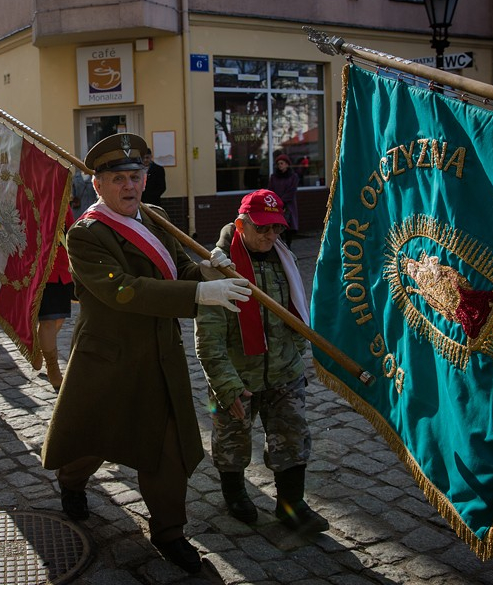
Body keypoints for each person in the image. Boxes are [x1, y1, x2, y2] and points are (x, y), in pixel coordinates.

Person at [40, 132, 252, 574]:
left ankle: (169, 531)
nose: (129, 186)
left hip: (159, 354)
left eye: (135, 176)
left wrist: (209, 269)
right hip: (108, 357)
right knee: (91, 435)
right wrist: (200, 291)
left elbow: (179, 269)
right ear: (97, 185)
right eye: (118, 178)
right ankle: (72, 482)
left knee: (167, 445)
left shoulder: (154, 217)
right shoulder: (86, 234)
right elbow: (124, 291)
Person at [194, 189, 328, 535]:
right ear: (241, 224)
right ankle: (235, 492)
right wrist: (227, 386)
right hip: (237, 376)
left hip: (284, 373)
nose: (271, 236)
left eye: (277, 229)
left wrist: (293, 355)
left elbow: (297, 315)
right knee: (231, 441)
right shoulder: (217, 269)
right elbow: (208, 340)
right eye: (262, 229)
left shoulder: (284, 259)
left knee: (293, 437)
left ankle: (291, 505)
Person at [32, 206, 74, 392]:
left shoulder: (62, 198)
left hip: (63, 266)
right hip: (40, 268)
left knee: (59, 318)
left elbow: (70, 229)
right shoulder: (28, 194)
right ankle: (52, 369)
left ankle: (40, 346)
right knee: (48, 320)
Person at [268, 154, 300, 247]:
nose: (280, 165)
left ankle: (288, 245)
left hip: (288, 205)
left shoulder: (293, 177)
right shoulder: (274, 177)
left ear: (287, 164)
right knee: (277, 225)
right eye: (278, 164)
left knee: (288, 225)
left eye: (282, 163)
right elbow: (271, 190)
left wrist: (283, 202)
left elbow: (292, 190)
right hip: (276, 205)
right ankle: (279, 245)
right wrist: (276, 202)